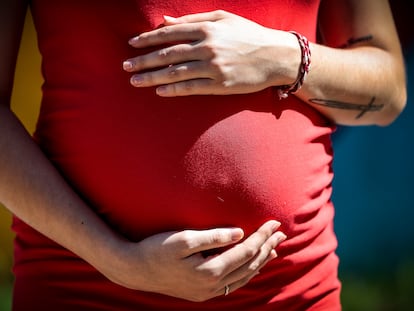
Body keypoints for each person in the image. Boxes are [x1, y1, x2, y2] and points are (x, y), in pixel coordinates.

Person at [0, 0, 406, 310]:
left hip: (288, 287)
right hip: (81, 285)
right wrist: (116, 260)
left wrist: (282, 58)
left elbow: (388, 93)